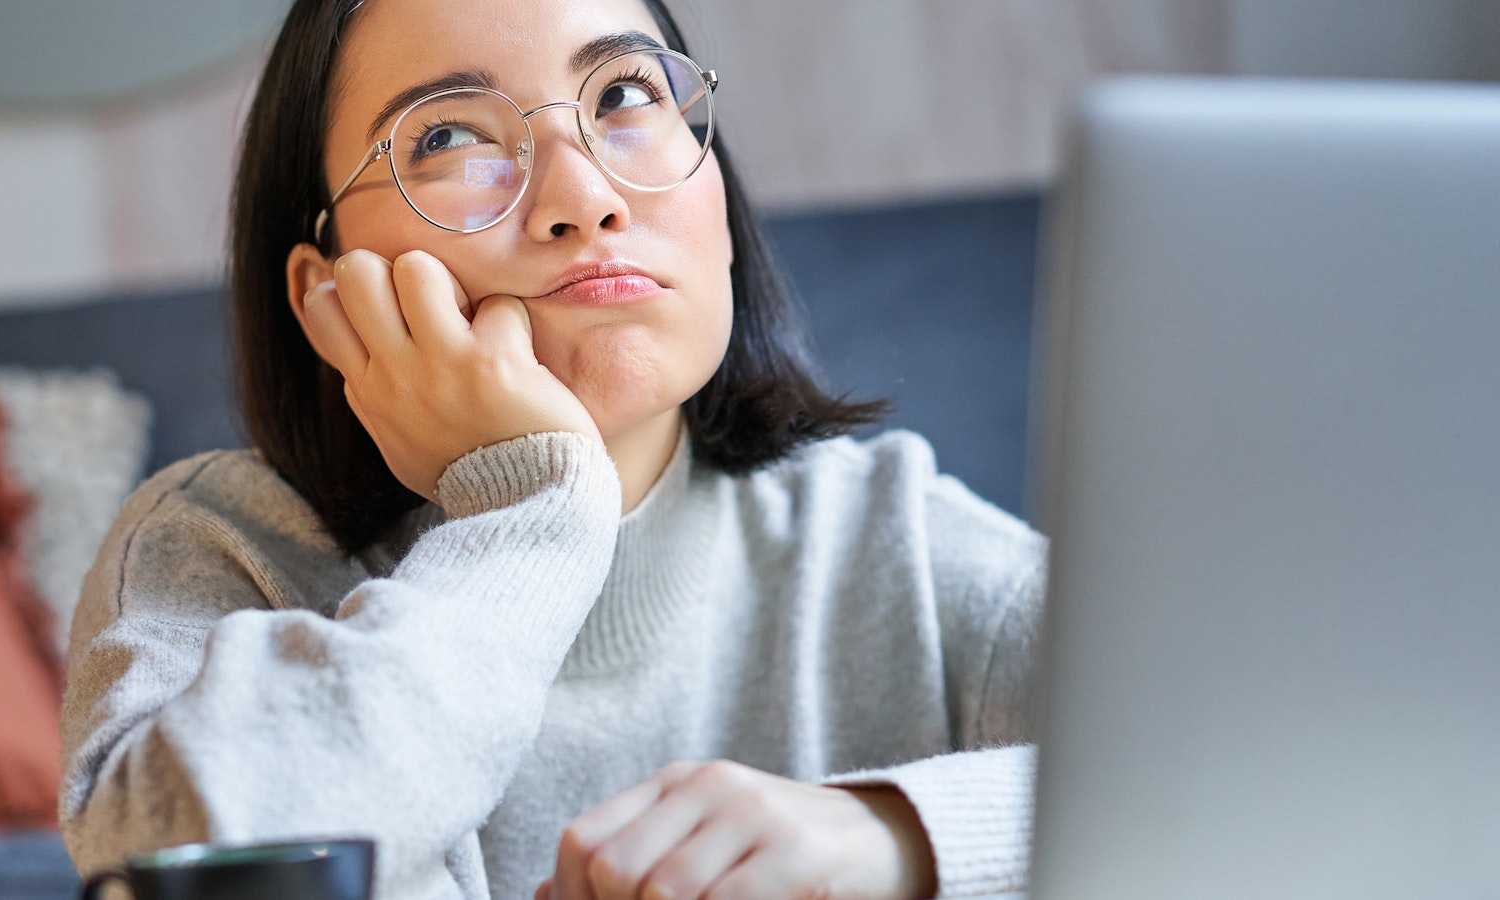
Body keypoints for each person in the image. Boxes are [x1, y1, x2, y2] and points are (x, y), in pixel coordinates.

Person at [57, 0, 1046, 896]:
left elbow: (1194, 756)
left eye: (623, 94)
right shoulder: (220, 552)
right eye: (447, 136)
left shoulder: (887, 534)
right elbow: (204, 868)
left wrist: (893, 836)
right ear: (328, 301)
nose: (584, 197)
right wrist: (531, 509)